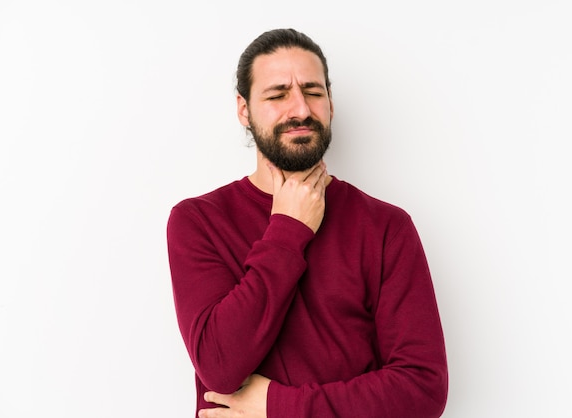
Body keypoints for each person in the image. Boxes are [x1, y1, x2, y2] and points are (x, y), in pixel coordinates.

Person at [167, 28, 448, 418]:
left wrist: (278, 407)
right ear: (243, 109)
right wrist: (288, 229)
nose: (300, 109)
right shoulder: (198, 221)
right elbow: (219, 367)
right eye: (278, 94)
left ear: (330, 104)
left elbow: (422, 388)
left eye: (313, 92)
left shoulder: (387, 227)